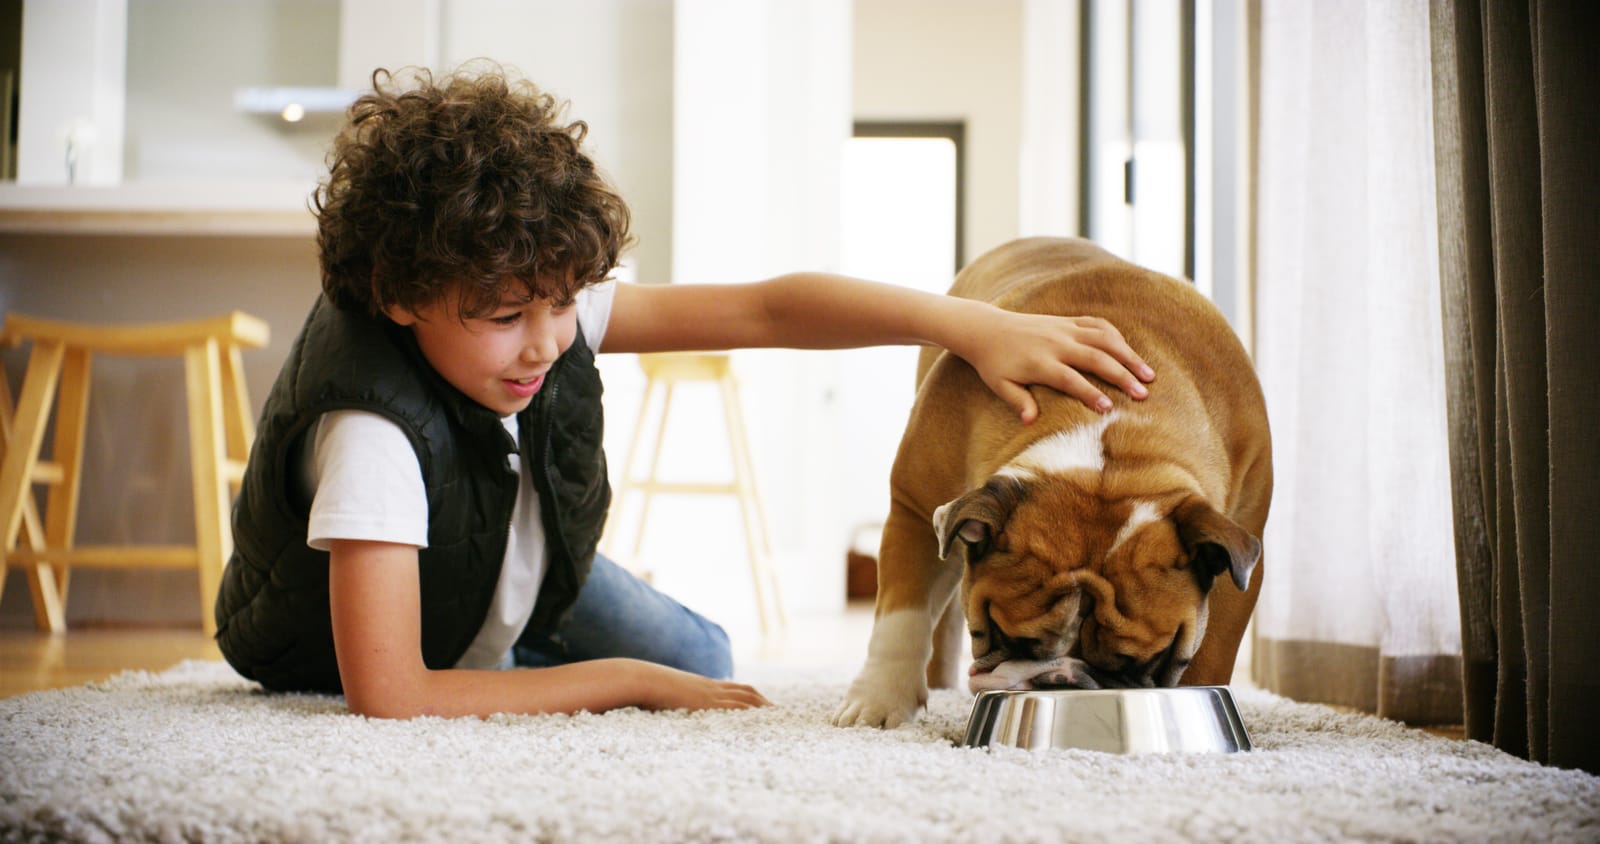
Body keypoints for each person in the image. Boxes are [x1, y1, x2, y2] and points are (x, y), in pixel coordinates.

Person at [214, 63, 1155, 720]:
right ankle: (525, 665)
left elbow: (771, 310)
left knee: (702, 661)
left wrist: (970, 325)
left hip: (516, 569)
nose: (545, 340)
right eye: (507, 316)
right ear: (400, 298)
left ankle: (523, 653)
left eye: (560, 302)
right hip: (363, 636)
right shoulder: (369, 436)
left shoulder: (537, 303)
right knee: (651, 676)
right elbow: (396, 697)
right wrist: (620, 681)